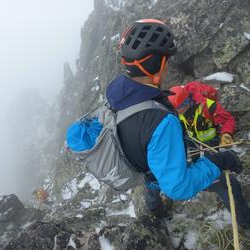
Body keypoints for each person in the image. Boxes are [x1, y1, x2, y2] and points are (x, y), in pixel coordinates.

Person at [105, 18, 250, 229]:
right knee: (227, 184)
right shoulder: (161, 121)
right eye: (166, 62)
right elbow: (179, 187)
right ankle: (245, 223)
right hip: (160, 164)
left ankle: (157, 211)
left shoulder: (116, 93)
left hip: (142, 166)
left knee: (152, 187)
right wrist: (218, 162)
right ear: (159, 64)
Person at [168, 84, 235, 147]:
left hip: (213, 144)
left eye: (180, 107)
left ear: (187, 101)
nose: (179, 111)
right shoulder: (175, 113)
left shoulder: (208, 106)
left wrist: (226, 134)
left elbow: (227, 120)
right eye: (176, 109)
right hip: (192, 145)